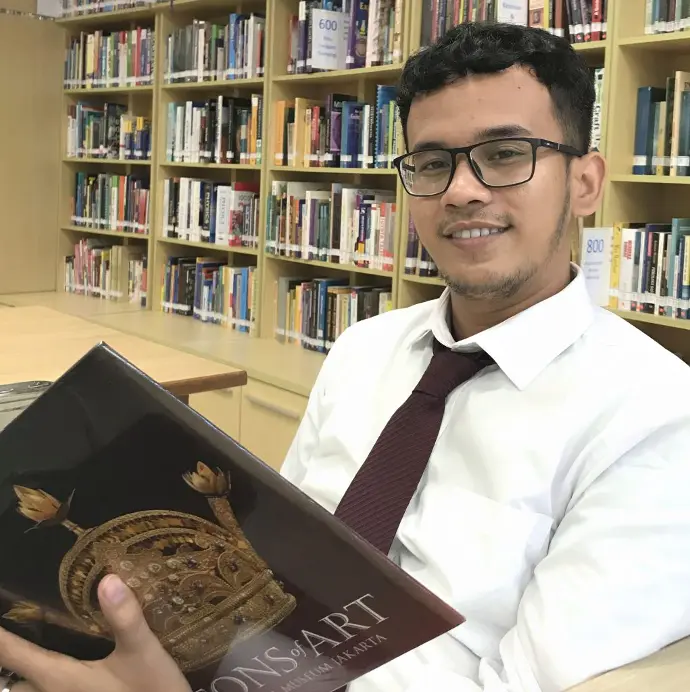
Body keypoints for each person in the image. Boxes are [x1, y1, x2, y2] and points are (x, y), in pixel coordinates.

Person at [2, 20, 690, 692]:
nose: (461, 190)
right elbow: (271, 558)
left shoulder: (657, 419)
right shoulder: (368, 348)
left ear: (585, 182)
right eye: (432, 163)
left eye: (507, 153)